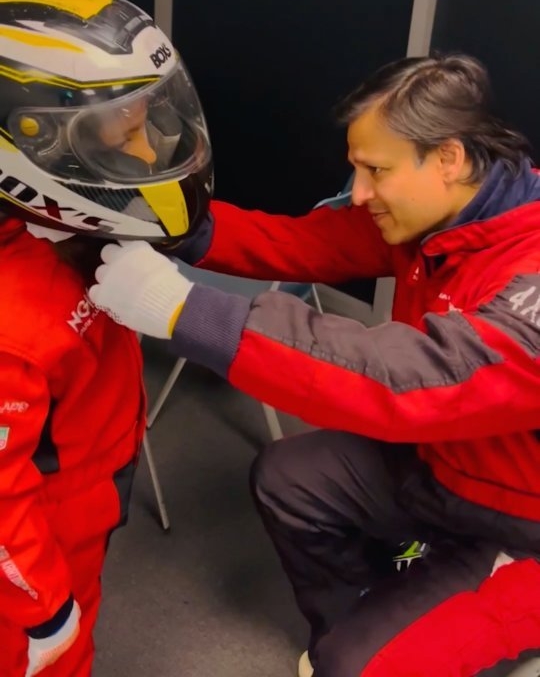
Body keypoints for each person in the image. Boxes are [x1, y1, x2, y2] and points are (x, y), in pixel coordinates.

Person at [90, 52, 540, 677]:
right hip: (442, 462)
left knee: (356, 668)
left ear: (448, 158)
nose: (358, 193)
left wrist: (185, 311)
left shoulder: (530, 268)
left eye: (375, 171)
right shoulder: (439, 211)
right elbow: (305, 244)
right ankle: (373, 613)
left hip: (522, 528)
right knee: (289, 479)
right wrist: (174, 229)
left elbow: (416, 377)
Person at [0, 0, 212, 675]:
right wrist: (44, 611)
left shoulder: (60, 233)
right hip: (35, 553)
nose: (149, 157)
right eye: (123, 141)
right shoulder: (13, 324)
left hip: (85, 493)